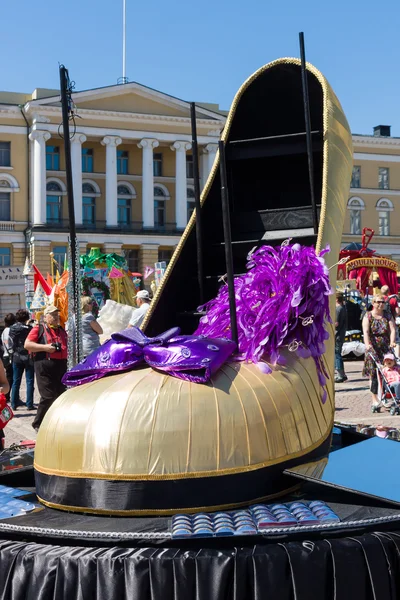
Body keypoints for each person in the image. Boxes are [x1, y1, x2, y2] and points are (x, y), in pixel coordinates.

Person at [25, 305, 68, 431]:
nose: (56, 317)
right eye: (53, 315)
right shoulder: (39, 328)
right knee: (48, 396)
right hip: (44, 364)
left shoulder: (60, 329)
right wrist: (46, 348)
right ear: (46, 317)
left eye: (57, 315)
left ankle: (56, 422)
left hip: (60, 365)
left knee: (61, 395)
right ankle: (38, 423)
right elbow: (27, 345)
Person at [362, 294, 397, 410]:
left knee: (388, 372)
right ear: (373, 303)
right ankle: (375, 399)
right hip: (373, 348)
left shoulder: (387, 315)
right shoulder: (368, 316)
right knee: (373, 375)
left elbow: (392, 329)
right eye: (378, 302)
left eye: (383, 302)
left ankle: (386, 397)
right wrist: (368, 345)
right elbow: (366, 332)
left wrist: (392, 341)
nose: (381, 304)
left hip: (385, 347)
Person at [8, 309, 35, 411]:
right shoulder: (29, 328)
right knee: (30, 381)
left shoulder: (12, 328)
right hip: (28, 356)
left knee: (16, 381)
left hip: (16, 356)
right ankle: (29, 404)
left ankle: (14, 404)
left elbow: (11, 342)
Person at [1, 313, 16, 403]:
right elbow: (11, 344)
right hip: (10, 355)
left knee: (8, 375)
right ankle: (8, 396)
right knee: (10, 377)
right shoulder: (11, 330)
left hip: (5, 355)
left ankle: (8, 396)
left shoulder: (4, 331)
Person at [335, 292, 348, 383]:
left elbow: (336, 324)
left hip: (337, 335)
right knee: (338, 353)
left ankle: (340, 375)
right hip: (341, 334)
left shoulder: (338, 309)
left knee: (337, 354)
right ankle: (342, 374)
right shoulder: (343, 308)